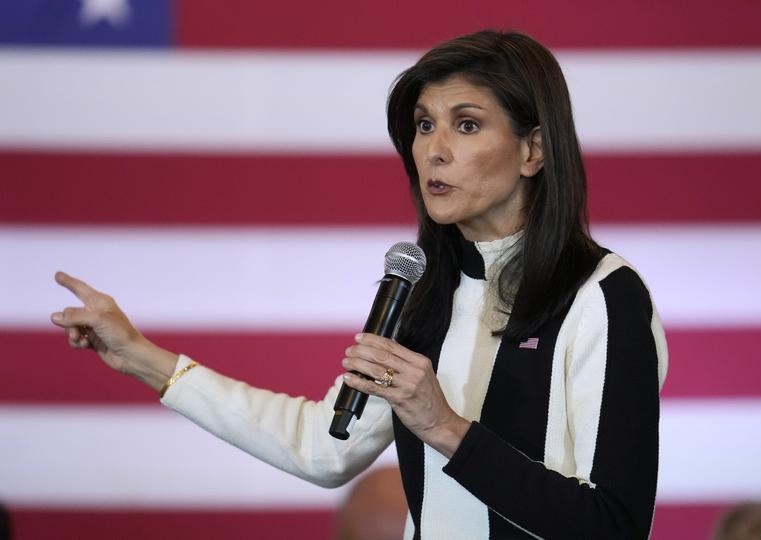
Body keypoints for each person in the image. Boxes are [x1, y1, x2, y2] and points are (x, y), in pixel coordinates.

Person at [50, 30, 668, 539]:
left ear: (534, 150)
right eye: (424, 126)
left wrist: (445, 427)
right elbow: (325, 449)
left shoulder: (604, 296)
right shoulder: (422, 293)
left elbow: (613, 525)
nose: (434, 150)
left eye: (468, 125)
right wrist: (142, 358)